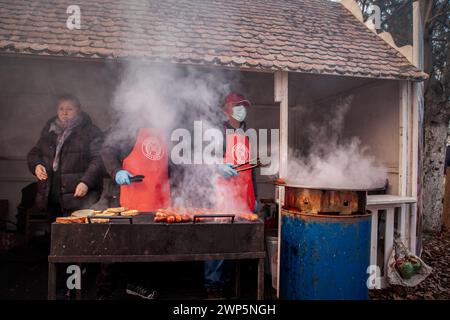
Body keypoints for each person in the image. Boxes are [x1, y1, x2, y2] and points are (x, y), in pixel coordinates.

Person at [100, 126, 171, 299]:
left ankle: (137, 286)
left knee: (148, 250)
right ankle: (104, 292)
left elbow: (178, 165)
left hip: (158, 203)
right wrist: (117, 172)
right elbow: (107, 150)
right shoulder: (129, 128)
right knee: (115, 249)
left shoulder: (166, 130)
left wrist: (210, 170)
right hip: (130, 201)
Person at [204, 92, 259, 299]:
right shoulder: (216, 132)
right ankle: (213, 287)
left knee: (234, 242)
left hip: (242, 197)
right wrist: (217, 166)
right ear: (225, 109)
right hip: (220, 196)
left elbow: (252, 169)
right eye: (236, 105)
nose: (241, 109)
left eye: (243, 106)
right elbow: (202, 159)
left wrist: (256, 198)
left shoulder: (247, 133)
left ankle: (226, 283)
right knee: (217, 241)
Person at [27, 94, 104, 218]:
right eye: (61, 109)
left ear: (79, 110)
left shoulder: (90, 132)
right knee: (55, 234)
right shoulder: (50, 131)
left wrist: (86, 182)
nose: (65, 113)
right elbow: (35, 153)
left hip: (78, 195)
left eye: (69, 109)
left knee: (78, 233)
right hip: (50, 196)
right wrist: (37, 165)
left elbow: (99, 160)